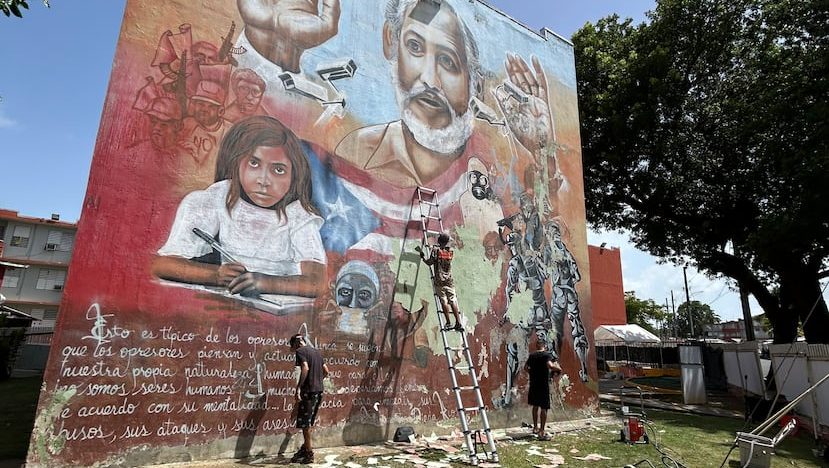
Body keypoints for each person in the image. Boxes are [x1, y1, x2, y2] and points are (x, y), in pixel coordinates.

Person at [152, 115, 327, 301]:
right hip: (226, 302)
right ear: (237, 163)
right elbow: (163, 265)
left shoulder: (297, 215)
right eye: (254, 163)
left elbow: (316, 283)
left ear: (294, 175)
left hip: (278, 309)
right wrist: (215, 275)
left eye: (278, 170)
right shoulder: (217, 198)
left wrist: (264, 283)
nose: (263, 181)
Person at [334, 0, 484, 188]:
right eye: (415, 47)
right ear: (390, 42)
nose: (430, 80)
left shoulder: (491, 173)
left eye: (448, 61)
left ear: (476, 86)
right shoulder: (358, 151)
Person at [237, 0, 341, 73]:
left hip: (293, 75)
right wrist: (278, 20)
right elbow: (250, 8)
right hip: (250, 61)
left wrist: (322, 27)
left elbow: (329, 24)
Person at [289, 334, 330, 464]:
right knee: (308, 422)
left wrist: (299, 388)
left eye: (293, 347)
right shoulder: (316, 352)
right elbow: (326, 371)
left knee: (305, 424)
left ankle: (309, 453)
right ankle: (305, 448)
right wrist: (317, 381)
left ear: (296, 344)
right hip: (318, 391)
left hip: (308, 393)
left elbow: (305, 367)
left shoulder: (300, 351)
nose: (294, 350)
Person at [416, 232, 463, 331]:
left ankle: (448, 322)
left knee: (444, 300)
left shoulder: (436, 251)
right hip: (449, 280)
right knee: (453, 300)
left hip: (439, 280)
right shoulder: (450, 251)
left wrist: (423, 257)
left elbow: (429, 262)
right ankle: (458, 322)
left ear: (439, 241)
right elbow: (442, 252)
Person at [524, 340, 561, 440]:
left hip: (534, 383)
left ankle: (535, 427)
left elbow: (526, 368)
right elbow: (550, 365)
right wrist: (558, 369)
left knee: (535, 406)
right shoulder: (546, 355)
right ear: (545, 346)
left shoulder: (532, 356)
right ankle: (542, 430)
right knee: (544, 407)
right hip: (543, 384)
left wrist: (533, 373)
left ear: (536, 346)